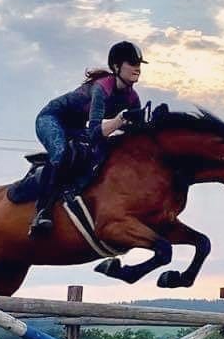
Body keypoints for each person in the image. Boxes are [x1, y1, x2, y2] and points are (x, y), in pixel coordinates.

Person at [30, 41, 147, 235]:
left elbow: (136, 133)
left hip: (76, 127)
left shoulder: (132, 97)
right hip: (52, 118)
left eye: (139, 64)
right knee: (62, 154)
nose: (137, 68)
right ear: (117, 66)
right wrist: (120, 120)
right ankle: (42, 212)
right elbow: (94, 132)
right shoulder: (101, 88)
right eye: (132, 63)